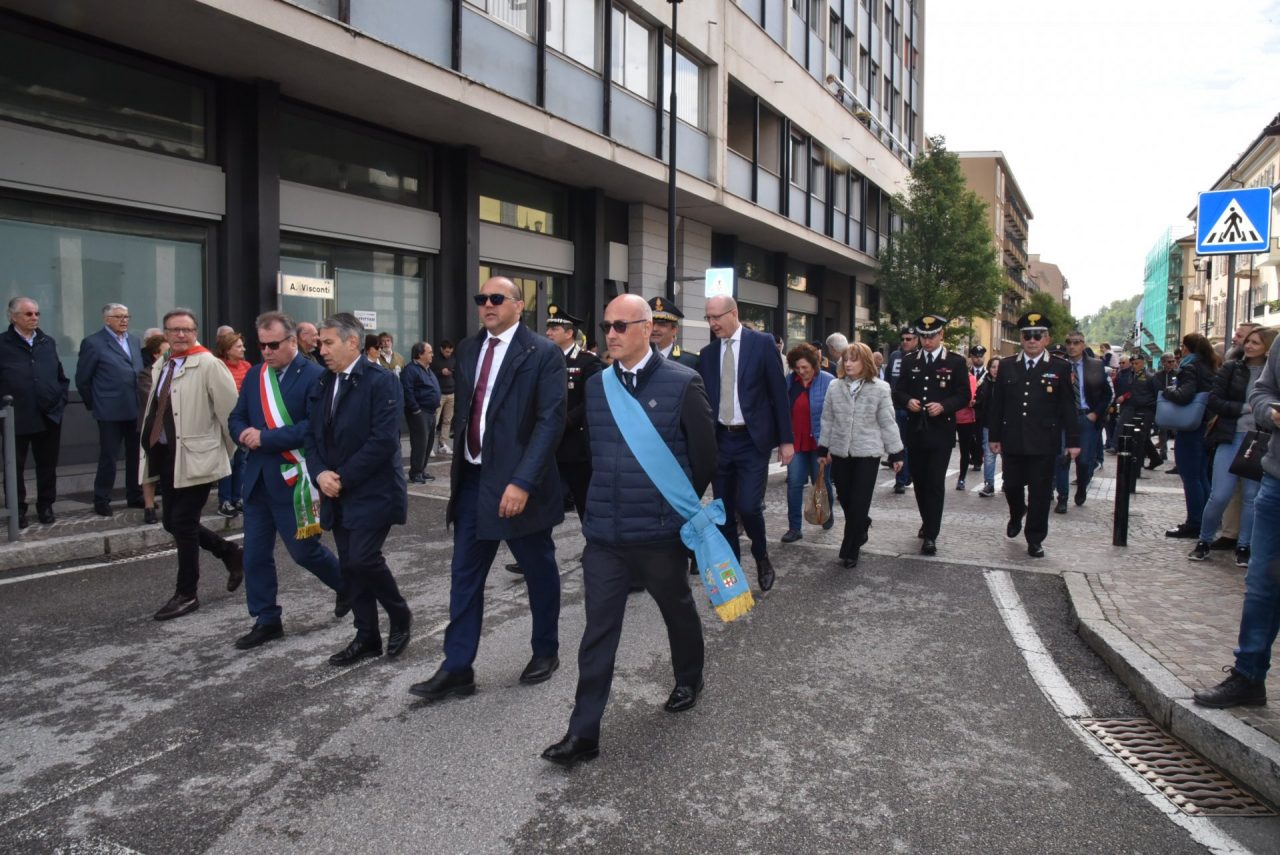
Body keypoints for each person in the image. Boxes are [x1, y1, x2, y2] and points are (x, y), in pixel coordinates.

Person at [541, 294, 716, 768]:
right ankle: (583, 733)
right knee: (597, 631)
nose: (611, 334)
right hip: (604, 535)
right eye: (607, 326)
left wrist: (669, 509)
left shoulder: (683, 383)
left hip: (659, 534)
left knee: (677, 609)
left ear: (646, 328)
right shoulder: (598, 386)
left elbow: (704, 459)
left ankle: (689, 677)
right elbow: (595, 454)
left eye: (621, 326)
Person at [409, 276, 567, 701]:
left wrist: (523, 481)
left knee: (538, 570)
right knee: (464, 576)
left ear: (518, 305)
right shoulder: (469, 349)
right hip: (473, 481)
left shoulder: (543, 352)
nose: (487, 305)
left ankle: (545, 650)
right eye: (482, 299)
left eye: (497, 298)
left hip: (518, 484)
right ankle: (457, 667)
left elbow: (550, 422)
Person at [228, 312, 349, 650]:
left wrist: (265, 438)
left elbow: (314, 427)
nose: (266, 351)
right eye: (262, 345)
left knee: (304, 552)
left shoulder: (315, 376)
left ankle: (347, 585)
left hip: (293, 477)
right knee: (254, 555)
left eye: (273, 345)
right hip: (257, 480)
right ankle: (266, 618)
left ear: (292, 341)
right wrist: (242, 433)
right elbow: (236, 416)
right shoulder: (255, 375)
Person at [305, 313, 413, 665]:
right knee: (350, 567)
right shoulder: (324, 381)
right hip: (336, 491)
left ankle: (399, 613)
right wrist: (320, 473)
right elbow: (312, 435)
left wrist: (340, 478)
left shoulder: (381, 381)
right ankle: (366, 635)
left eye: (328, 343)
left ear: (352, 342)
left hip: (373, 490)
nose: (322, 350)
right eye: (320, 343)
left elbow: (383, 441)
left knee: (363, 558)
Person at [1192, 330, 1280, 709]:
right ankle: (1248, 676)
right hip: (1277, 478)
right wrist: (1270, 411)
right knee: (1261, 584)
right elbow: (1262, 392)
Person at [141, 308, 244, 620]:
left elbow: (231, 414)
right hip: (168, 455)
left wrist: (220, 453)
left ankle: (187, 593)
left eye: (186, 329)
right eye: (174, 330)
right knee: (171, 522)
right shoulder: (165, 362)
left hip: (198, 457)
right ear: (166, 334)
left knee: (183, 522)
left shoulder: (209, 364)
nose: (181, 335)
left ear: (195, 332)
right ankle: (230, 552)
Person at [696, 295, 793, 592]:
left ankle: (761, 556)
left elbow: (779, 394)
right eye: (708, 318)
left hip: (752, 441)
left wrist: (786, 440)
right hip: (720, 441)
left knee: (749, 507)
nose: (712, 324)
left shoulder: (761, 344)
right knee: (724, 513)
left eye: (716, 317)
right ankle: (733, 577)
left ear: (733, 312)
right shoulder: (708, 353)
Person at [987, 312, 1080, 558]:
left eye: (1037, 336)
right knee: (1011, 485)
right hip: (1013, 437)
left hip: (1044, 440)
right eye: (1027, 336)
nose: (1032, 340)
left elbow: (1068, 407)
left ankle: (1035, 537)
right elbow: (998, 404)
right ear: (1021, 338)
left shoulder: (1060, 367)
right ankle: (1017, 512)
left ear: (1046, 339)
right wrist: (994, 436)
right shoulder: (1007, 365)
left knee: (1040, 492)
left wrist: (1073, 441)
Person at [1187, 327, 1276, 565]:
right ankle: (1204, 540)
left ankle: (1244, 546)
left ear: (1268, 347)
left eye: (1256, 342)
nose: (1249, 346)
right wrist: (1247, 408)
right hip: (1231, 435)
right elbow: (1214, 400)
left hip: (1259, 438)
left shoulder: (1272, 373)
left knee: (1251, 497)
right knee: (1220, 495)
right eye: (1248, 341)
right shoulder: (1231, 368)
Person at [818, 342, 903, 568]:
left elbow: (887, 422)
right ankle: (862, 524)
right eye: (845, 359)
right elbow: (827, 419)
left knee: (859, 501)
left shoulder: (881, 388)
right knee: (846, 498)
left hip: (868, 452)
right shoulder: (835, 386)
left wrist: (896, 453)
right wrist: (823, 448)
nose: (848, 363)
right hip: (840, 451)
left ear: (864, 361)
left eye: (853, 359)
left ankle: (850, 549)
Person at [891, 315, 969, 556]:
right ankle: (927, 520)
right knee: (920, 481)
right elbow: (898, 391)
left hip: (941, 431)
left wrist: (944, 406)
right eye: (923, 336)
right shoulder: (909, 361)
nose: (927, 341)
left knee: (935, 482)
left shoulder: (955, 362)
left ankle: (931, 535)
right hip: (916, 430)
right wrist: (908, 401)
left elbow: (963, 395)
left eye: (932, 336)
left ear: (941, 335)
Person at [0, 297, 69, 527]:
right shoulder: (3, 344)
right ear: (13, 317)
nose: (34, 318)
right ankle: (17, 509)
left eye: (37, 313)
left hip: (48, 414)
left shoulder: (46, 342)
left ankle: (46, 505)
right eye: (29, 314)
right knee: (14, 467)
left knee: (47, 465)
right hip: (16, 416)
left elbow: (60, 375)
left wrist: (60, 400)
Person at [76, 303, 144, 517]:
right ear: (107, 320)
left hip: (134, 407)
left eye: (126, 316)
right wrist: (95, 403)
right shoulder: (93, 343)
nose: (124, 320)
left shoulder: (134, 340)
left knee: (136, 455)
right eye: (119, 317)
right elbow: (83, 379)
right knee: (109, 457)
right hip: (109, 410)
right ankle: (102, 498)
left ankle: (135, 495)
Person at [546, 304, 603, 520]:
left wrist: (566, 420)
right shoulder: (544, 358)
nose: (548, 333)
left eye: (554, 329)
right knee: (547, 504)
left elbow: (591, 400)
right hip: (548, 444)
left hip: (575, 445)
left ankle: (592, 538)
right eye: (548, 328)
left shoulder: (587, 361)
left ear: (569, 333)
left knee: (584, 502)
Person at [1163, 333, 1221, 539]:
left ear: (1187, 348)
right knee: (1201, 475)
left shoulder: (1190, 367)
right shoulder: (1209, 366)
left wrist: (1168, 391)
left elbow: (1184, 395)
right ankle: (1205, 520)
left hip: (1191, 427)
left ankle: (1195, 522)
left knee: (1190, 477)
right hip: (1206, 425)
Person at [779, 343, 834, 543]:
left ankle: (826, 512)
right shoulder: (789, 381)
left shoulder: (828, 381)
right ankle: (794, 528)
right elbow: (782, 411)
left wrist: (830, 447)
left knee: (822, 481)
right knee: (794, 484)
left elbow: (835, 415)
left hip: (820, 443)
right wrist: (783, 441)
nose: (801, 371)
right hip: (796, 442)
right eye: (797, 367)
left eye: (805, 367)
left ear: (814, 364)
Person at [1053, 329, 1112, 512]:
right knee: (1061, 458)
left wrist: (1095, 413)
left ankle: (1081, 487)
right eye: (1069, 342)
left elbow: (1107, 394)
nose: (1072, 346)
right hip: (1063, 419)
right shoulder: (1058, 366)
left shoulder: (1096, 365)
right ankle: (1062, 497)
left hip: (1086, 417)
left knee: (1085, 460)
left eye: (1076, 342)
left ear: (1083, 344)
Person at [216, 330, 250, 517]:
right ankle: (225, 501)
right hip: (225, 421)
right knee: (227, 462)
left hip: (243, 421)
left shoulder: (246, 366)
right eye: (239, 346)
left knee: (241, 461)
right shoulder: (219, 367)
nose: (243, 349)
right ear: (228, 349)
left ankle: (238, 498)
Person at [137, 331, 169, 524]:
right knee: (149, 469)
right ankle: (149, 507)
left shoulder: (176, 370)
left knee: (168, 470)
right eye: (167, 351)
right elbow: (152, 397)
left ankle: (169, 506)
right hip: (151, 428)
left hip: (171, 429)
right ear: (156, 354)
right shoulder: (146, 374)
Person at [1114, 351, 1163, 471]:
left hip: (1146, 410)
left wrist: (1152, 407)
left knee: (1142, 436)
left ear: (1143, 363)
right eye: (1133, 363)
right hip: (1133, 408)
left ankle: (1139, 463)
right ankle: (1154, 458)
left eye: (1137, 363)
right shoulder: (1131, 375)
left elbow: (1157, 393)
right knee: (1139, 436)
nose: (1134, 366)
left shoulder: (1150, 377)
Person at [401, 341, 441, 484]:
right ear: (420, 354)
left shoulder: (427, 369)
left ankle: (422, 470)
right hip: (420, 412)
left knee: (428, 443)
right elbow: (407, 391)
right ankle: (415, 473)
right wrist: (416, 409)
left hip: (431, 412)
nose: (432, 355)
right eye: (429, 352)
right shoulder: (410, 370)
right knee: (420, 443)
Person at [886, 327, 918, 494]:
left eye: (909, 339)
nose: (905, 342)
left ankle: (908, 474)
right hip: (895, 407)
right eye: (903, 338)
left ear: (916, 340)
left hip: (912, 408)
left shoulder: (918, 357)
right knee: (898, 445)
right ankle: (900, 480)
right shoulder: (894, 356)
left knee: (911, 445)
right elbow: (887, 379)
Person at [975, 356, 1001, 497]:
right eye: (993, 367)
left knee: (1007, 455)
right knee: (989, 455)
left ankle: (1007, 481)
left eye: (998, 367)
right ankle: (989, 484)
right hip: (988, 424)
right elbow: (979, 402)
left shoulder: (1008, 383)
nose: (996, 370)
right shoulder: (984, 383)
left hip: (1006, 425)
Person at [648, 296, 699, 367]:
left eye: (661, 324)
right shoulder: (637, 357)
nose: (654, 329)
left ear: (674, 330)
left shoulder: (690, 361)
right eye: (651, 324)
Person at [432, 339, 457, 455]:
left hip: (451, 393)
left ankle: (443, 444)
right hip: (439, 394)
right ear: (441, 349)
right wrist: (440, 372)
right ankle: (429, 446)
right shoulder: (434, 360)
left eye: (450, 352)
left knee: (447, 421)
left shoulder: (453, 359)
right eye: (447, 351)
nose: (448, 354)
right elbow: (430, 374)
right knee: (434, 421)